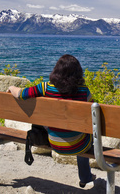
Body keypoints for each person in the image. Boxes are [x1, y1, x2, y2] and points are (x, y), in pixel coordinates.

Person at [7, 54, 96, 188]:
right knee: (84, 133)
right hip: (79, 146)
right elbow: (94, 117)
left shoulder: (45, 87)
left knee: (45, 119)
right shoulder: (84, 92)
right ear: (78, 73)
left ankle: (85, 176)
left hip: (54, 143)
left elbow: (22, 94)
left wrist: (12, 88)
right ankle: (85, 177)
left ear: (57, 71)